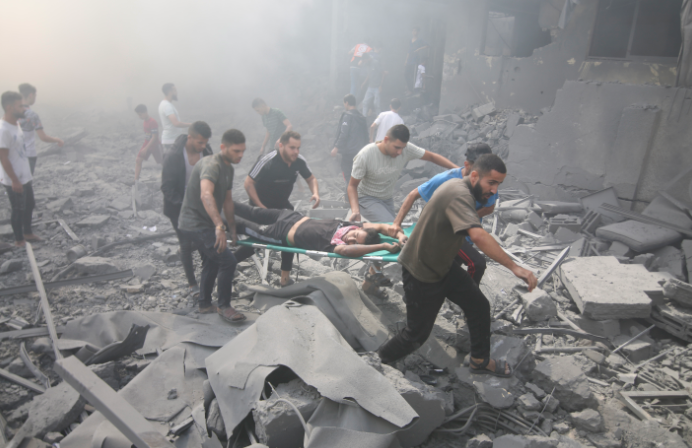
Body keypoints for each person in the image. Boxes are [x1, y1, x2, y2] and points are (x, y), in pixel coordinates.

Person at [378, 154, 538, 376]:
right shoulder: (459, 194)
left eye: (498, 184)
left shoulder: (461, 188)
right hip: (421, 272)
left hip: (442, 266)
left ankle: (479, 361)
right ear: (474, 176)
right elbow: (478, 236)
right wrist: (515, 267)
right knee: (415, 335)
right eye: (491, 183)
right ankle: (376, 362)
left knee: (479, 306)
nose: (494, 190)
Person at [347, 124, 457, 298]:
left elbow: (431, 156)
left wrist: (457, 170)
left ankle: (369, 281)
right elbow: (352, 186)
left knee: (387, 236)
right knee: (394, 234)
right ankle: (409, 286)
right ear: (386, 140)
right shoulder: (366, 154)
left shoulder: (405, 149)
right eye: (396, 147)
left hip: (386, 199)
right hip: (366, 198)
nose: (400, 152)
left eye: (402, 148)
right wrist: (355, 210)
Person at [393, 143, 496, 285]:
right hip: (445, 235)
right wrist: (396, 224)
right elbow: (413, 194)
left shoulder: (489, 182)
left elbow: (490, 207)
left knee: (444, 275)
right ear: (468, 164)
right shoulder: (447, 178)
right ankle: (468, 297)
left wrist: (468, 217)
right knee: (477, 263)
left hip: (466, 237)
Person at [177, 129, 247, 322]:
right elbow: (206, 194)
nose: (240, 155)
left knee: (212, 260)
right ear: (223, 147)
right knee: (228, 260)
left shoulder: (228, 169)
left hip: (204, 222)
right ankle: (224, 306)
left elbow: (228, 200)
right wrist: (219, 227)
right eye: (236, 151)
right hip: (194, 223)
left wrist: (232, 228)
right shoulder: (211, 165)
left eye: (242, 151)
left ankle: (205, 304)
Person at [242, 131, 320, 287]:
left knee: (290, 235)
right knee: (258, 242)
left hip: (282, 205)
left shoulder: (299, 161)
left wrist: (315, 193)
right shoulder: (267, 160)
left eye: (298, 148)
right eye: (292, 148)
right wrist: (260, 207)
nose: (296, 152)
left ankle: (284, 279)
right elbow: (248, 183)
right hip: (260, 207)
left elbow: (311, 178)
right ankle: (229, 263)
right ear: (281, 145)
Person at [233, 202, 405, 258]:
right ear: (358, 228)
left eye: (354, 241)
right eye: (355, 234)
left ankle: (217, 221)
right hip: (290, 216)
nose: (350, 238)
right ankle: (219, 198)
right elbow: (382, 227)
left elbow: (347, 250)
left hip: (278, 233)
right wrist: (399, 235)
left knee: (239, 225)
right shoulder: (354, 226)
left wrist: (383, 247)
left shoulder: (337, 246)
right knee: (250, 212)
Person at [161, 121, 214, 299]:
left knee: (206, 240)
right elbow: (167, 188)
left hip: (200, 203)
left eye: (205, 142)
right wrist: (185, 204)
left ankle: (207, 281)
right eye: (200, 142)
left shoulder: (206, 152)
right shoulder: (173, 156)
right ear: (189, 137)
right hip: (177, 206)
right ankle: (193, 284)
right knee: (185, 242)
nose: (203, 146)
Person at [0, 92, 40, 247]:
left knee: (29, 204)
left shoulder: (16, 124)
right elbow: (3, 158)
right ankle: (19, 240)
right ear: (9, 107)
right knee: (18, 209)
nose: (24, 108)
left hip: (24, 175)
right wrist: (14, 180)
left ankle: (28, 232)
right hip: (14, 179)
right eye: (20, 106)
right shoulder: (3, 130)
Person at [18, 83, 63, 175]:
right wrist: (57, 140)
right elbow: (43, 137)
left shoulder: (10, 113)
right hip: (27, 155)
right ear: (31, 95)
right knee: (25, 182)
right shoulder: (32, 115)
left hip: (11, 155)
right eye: (35, 96)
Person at [330, 94, 368, 186]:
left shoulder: (347, 116)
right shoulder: (362, 118)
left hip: (349, 153)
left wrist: (336, 147)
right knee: (358, 176)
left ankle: (349, 194)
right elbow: (366, 136)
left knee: (348, 175)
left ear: (346, 103)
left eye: (344, 103)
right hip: (361, 152)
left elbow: (344, 134)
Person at [134, 104, 163, 182]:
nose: (139, 116)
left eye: (140, 114)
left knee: (163, 162)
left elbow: (154, 137)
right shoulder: (145, 121)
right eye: (138, 115)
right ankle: (135, 180)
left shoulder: (152, 122)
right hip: (146, 143)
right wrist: (145, 147)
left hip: (155, 145)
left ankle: (169, 177)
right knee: (138, 160)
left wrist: (146, 148)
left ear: (145, 112)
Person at [159, 83, 191, 152]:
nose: (177, 92)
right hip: (171, 141)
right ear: (170, 92)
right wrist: (191, 125)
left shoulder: (166, 104)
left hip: (172, 140)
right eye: (175, 90)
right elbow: (176, 123)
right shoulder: (167, 105)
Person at [361, 51, 386, 118]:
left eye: (365, 61)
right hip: (370, 87)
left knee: (376, 104)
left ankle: (379, 119)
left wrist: (380, 85)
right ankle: (364, 117)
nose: (364, 62)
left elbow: (383, 73)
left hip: (377, 87)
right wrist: (364, 83)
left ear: (368, 58)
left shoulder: (376, 63)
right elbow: (369, 74)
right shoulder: (367, 64)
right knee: (365, 102)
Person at [404, 27, 429, 93]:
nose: (414, 32)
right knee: (406, 74)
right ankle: (410, 89)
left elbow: (427, 45)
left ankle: (413, 90)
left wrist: (419, 49)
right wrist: (406, 60)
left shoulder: (420, 40)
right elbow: (409, 50)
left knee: (414, 75)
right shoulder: (410, 40)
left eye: (415, 31)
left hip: (415, 59)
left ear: (418, 32)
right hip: (409, 59)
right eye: (413, 31)